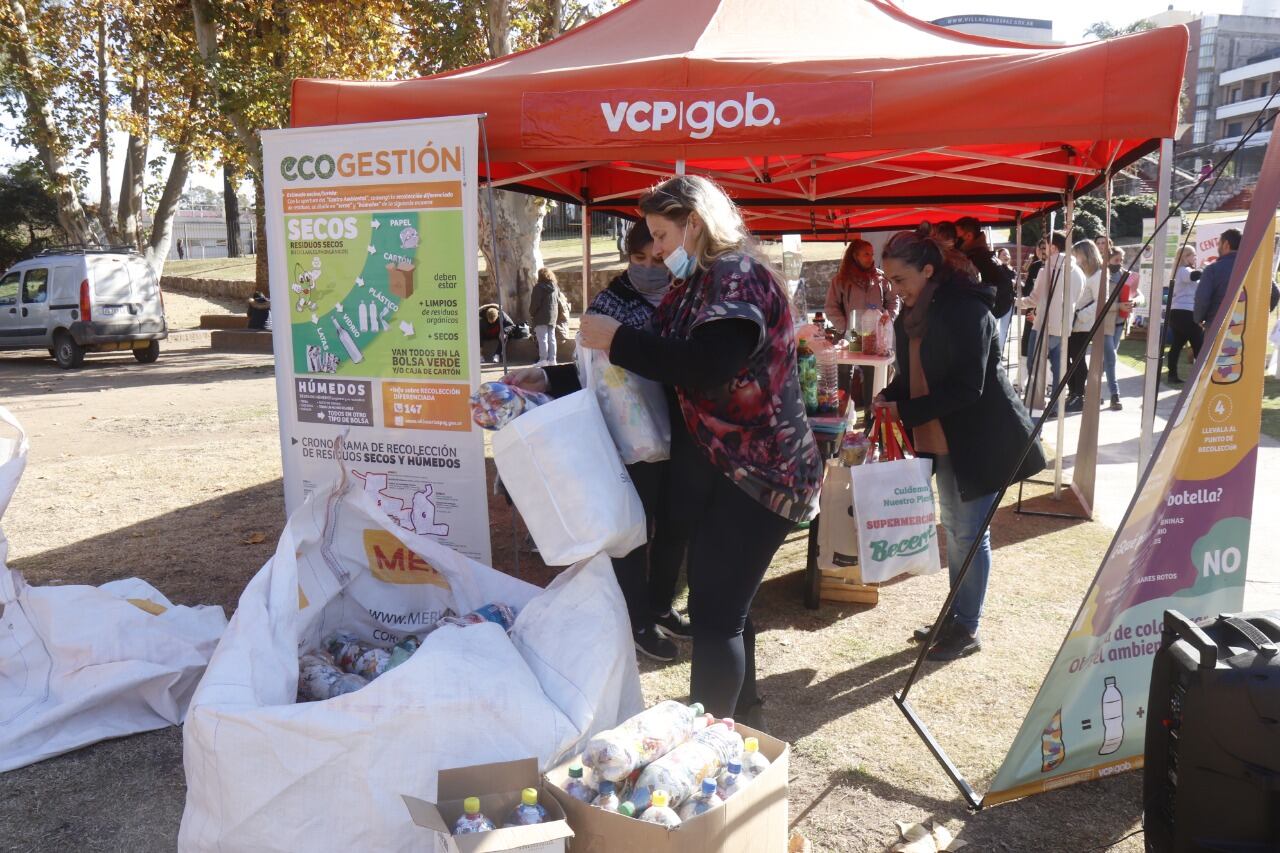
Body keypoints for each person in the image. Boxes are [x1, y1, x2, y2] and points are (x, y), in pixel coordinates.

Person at [513, 175, 822, 721]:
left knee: (716, 613)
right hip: (725, 471)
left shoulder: (737, 278)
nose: (654, 249)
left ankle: (703, 739)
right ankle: (737, 713)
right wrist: (551, 377)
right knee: (720, 600)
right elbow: (639, 372)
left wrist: (618, 339)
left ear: (694, 225)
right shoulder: (696, 284)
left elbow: (707, 364)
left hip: (761, 473)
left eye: (660, 234)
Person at [874, 225, 1046, 660]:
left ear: (928, 270)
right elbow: (912, 375)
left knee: (969, 534)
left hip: (978, 439)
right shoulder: (910, 315)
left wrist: (905, 412)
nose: (895, 291)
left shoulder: (968, 311)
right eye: (888, 281)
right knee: (955, 529)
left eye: (900, 280)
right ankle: (955, 615)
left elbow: (968, 387)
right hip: (940, 437)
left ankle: (967, 627)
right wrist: (888, 397)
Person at [571, 219, 690, 661]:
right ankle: (635, 617)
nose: (646, 267)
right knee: (633, 531)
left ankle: (660, 604)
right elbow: (588, 374)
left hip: (683, 434)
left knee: (675, 526)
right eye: (637, 259)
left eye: (655, 257)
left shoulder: (683, 294)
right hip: (633, 441)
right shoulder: (611, 304)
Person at [1027, 231, 1084, 407]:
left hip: (1044, 325)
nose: (1043, 251)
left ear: (1054, 247)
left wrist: (1015, 301)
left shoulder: (1047, 270)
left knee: (1035, 366)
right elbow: (1078, 298)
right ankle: (1055, 403)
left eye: (1046, 246)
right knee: (1059, 368)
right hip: (1063, 326)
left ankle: (1036, 401)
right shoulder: (1078, 272)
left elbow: (1034, 299)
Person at [955, 217, 1016, 347]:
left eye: (957, 236)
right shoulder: (983, 256)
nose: (955, 240)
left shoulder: (977, 259)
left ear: (969, 236)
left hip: (978, 323)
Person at [824, 239, 899, 336]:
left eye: (872, 254)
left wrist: (887, 320)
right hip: (853, 335)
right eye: (866, 254)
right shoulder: (841, 280)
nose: (871, 258)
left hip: (877, 334)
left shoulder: (880, 278)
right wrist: (844, 328)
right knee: (853, 352)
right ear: (855, 256)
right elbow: (831, 307)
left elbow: (893, 300)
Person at [1062, 240, 1103, 413]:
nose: (1074, 257)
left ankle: (1078, 394)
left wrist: (1080, 316)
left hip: (1083, 324)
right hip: (1074, 322)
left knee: (1077, 359)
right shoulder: (1084, 273)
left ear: (1086, 254)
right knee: (1069, 358)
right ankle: (1075, 392)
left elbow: (1101, 302)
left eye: (1076, 253)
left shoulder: (1098, 274)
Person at [1100, 248, 1139, 410]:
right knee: (1111, 358)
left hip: (1120, 322)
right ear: (1107, 260)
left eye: (1121, 260)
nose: (1120, 263)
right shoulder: (1101, 276)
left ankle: (1090, 388)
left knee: (1107, 360)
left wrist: (1134, 302)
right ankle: (1115, 395)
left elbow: (1139, 295)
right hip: (1105, 324)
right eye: (1117, 260)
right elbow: (1099, 304)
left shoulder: (1126, 276)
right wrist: (1118, 305)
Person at [1168, 246, 1203, 385]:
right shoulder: (1183, 270)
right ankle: (1200, 377)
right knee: (1198, 343)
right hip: (1185, 313)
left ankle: (1172, 375)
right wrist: (1206, 269)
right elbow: (1193, 276)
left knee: (1177, 344)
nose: (1195, 257)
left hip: (1178, 313)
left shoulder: (1180, 271)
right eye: (1193, 255)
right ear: (1185, 256)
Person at [1194, 229, 1241, 333]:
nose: (1218, 248)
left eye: (1219, 244)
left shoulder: (1213, 269)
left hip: (1216, 326)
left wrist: (1199, 318)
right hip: (1244, 327)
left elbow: (1202, 298)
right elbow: (1274, 293)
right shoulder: (1253, 268)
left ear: (1226, 244)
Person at [528, 267, 560, 365]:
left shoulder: (538, 287)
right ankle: (552, 359)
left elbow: (535, 303)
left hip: (541, 316)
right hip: (553, 316)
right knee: (552, 338)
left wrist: (531, 313)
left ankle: (543, 360)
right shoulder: (555, 287)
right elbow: (558, 300)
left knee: (543, 339)